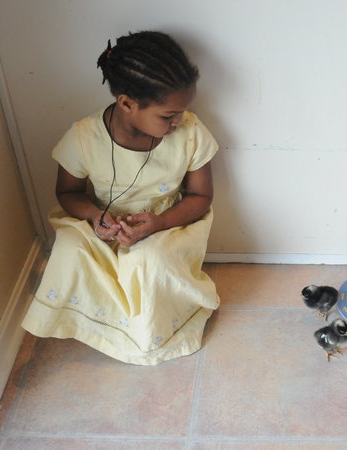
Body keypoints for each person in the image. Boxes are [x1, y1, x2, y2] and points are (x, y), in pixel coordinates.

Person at [21, 31, 220, 365]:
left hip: (167, 223)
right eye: (168, 115)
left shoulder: (190, 132)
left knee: (149, 263)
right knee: (69, 250)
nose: (179, 121)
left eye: (182, 112)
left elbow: (201, 196)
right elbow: (68, 192)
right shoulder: (84, 137)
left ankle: (147, 329)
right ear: (127, 103)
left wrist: (160, 223)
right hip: (103, 221)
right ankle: (101, 322)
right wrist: (95, 217)